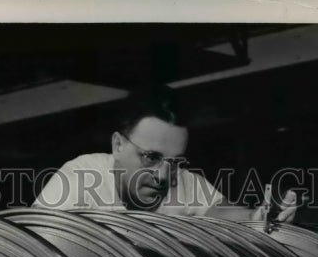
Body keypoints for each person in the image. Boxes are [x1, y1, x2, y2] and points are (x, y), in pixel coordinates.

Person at [32, 86, 298, 225]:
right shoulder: (80, 177)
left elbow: (218, 209)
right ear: (118, 145)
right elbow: (32, 246)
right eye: (151, 157)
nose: (162, 175)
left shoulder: (182, 180)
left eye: (174, 162)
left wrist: (258, 218)